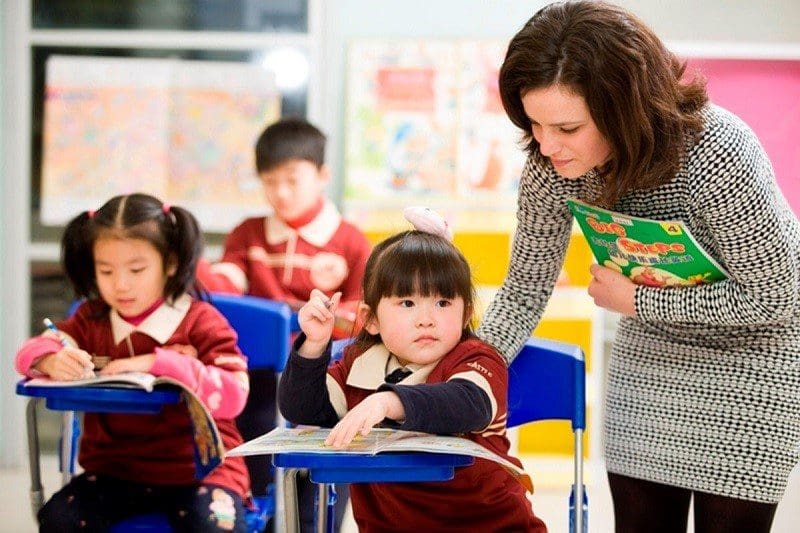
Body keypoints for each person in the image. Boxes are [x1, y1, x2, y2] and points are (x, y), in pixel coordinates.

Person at [477, 2, 800, 532]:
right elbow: (522, 293)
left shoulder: (716, 151)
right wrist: (466, 374)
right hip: (649, 365)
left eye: (567, 127)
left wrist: (637, 301)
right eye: (533, 124)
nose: (546, 145)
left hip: (757, 361)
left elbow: (772, 297)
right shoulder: (553, 166)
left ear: (623, 108)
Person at [278, 207, 548, 532]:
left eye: (443, 303)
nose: (426, 318)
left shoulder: (476, 358)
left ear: (466, 314)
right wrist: (314, 345)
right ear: (371, 319)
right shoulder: (357, 362)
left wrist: (388, 402)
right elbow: (304, 410)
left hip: (492, 526)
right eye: (407, 303)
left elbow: (468, 403)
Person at [15, 193, 251, 532]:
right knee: (58, 521)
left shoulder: (201, 321)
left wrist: (159, 363)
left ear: (170, 263)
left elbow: (234, 394)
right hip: (116, 473)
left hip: (202, 471)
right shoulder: (89, 320)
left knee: (213, 525)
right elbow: (29, 352)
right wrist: (50, 359)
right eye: (106, 270)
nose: (120, 284)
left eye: (137, 269)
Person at [196, 117, 367, 531]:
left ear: (322, 176)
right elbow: (227, 287)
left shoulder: (349, 241)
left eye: (292, 179)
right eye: (270, 182)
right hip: (257, 380)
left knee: (319, 480)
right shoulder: (248, 235)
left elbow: (364, 315)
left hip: (320, 378)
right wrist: (192, 268)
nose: (280, 193)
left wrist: (322, 325)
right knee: (254, 469)